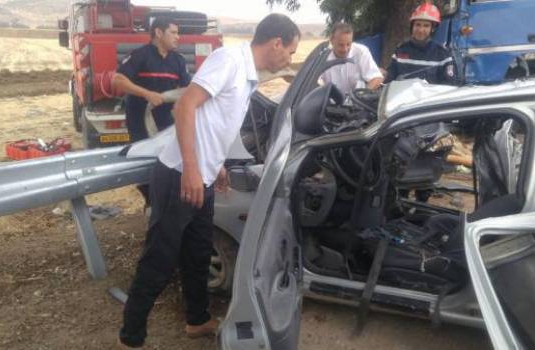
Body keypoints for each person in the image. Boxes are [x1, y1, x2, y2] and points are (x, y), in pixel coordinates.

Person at [117, 13, 300, 349]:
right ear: (276, 43)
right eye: (289, 51)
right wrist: (190, 166)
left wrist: (215, 164)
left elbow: (213, 122)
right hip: (178, 176)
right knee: (159, 259)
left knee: (198, 254)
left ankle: (197, 319)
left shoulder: (248, 76)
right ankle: (129, 338)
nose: (289, 59)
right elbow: (186, 106)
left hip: (202, 175)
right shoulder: (228, 60)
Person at [113, 17, 191, 142]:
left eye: (178, 33)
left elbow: (187, 89)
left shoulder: (179, 60)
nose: (178, 37)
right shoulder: (140, 55)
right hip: (139, 121)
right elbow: (117, 80)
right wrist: (147, 94)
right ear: (159, 33)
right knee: (142, 156)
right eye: (173, 32)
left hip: (166, 121)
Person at [385, 2, 458, 85]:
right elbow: (388, 80)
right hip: (404, 97)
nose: (420, 30)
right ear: (412, 26)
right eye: (418, 25)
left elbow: (450, 86)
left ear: (433, 29)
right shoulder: (401, 50)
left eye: (426, 26)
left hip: (431, 97)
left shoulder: (442, 54)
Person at [320, 22, 383, 95]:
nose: (345, 49)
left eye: (348, 44)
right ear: (331, 41)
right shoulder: (323, 57)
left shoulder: (361, 52)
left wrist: (362, 94)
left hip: (357, 102)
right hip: (331, 103)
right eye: (341, 45)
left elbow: (376, 78)